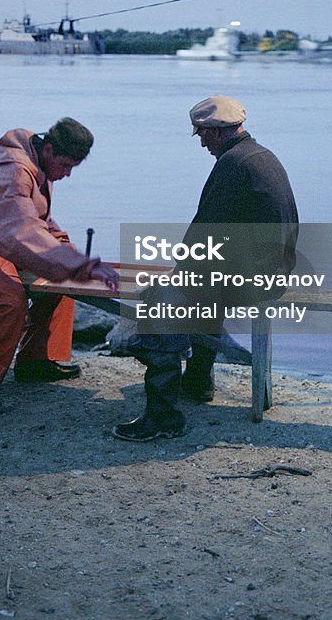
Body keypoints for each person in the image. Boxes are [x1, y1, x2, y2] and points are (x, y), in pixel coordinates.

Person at [112, 95, 299, 442]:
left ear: (215, 131)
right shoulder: (260, 155)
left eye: (201, 134)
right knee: (196, 293)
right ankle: (197, 381)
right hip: (273, 271)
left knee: (161, 306)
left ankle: (163, 417)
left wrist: (175, 278)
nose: (200, 142)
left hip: (255, 277)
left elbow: (204, 232)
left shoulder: (233, 165)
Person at [0, 117, 119, 417]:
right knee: (6, 300)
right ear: (49, 150)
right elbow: (22, 229)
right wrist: (76, 263)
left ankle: (36, 362)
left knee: (61, 283)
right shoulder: (13, 171)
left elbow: (39, 224)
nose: (67, 175)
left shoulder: (39, 168)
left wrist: (76, 262)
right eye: (66, 165)